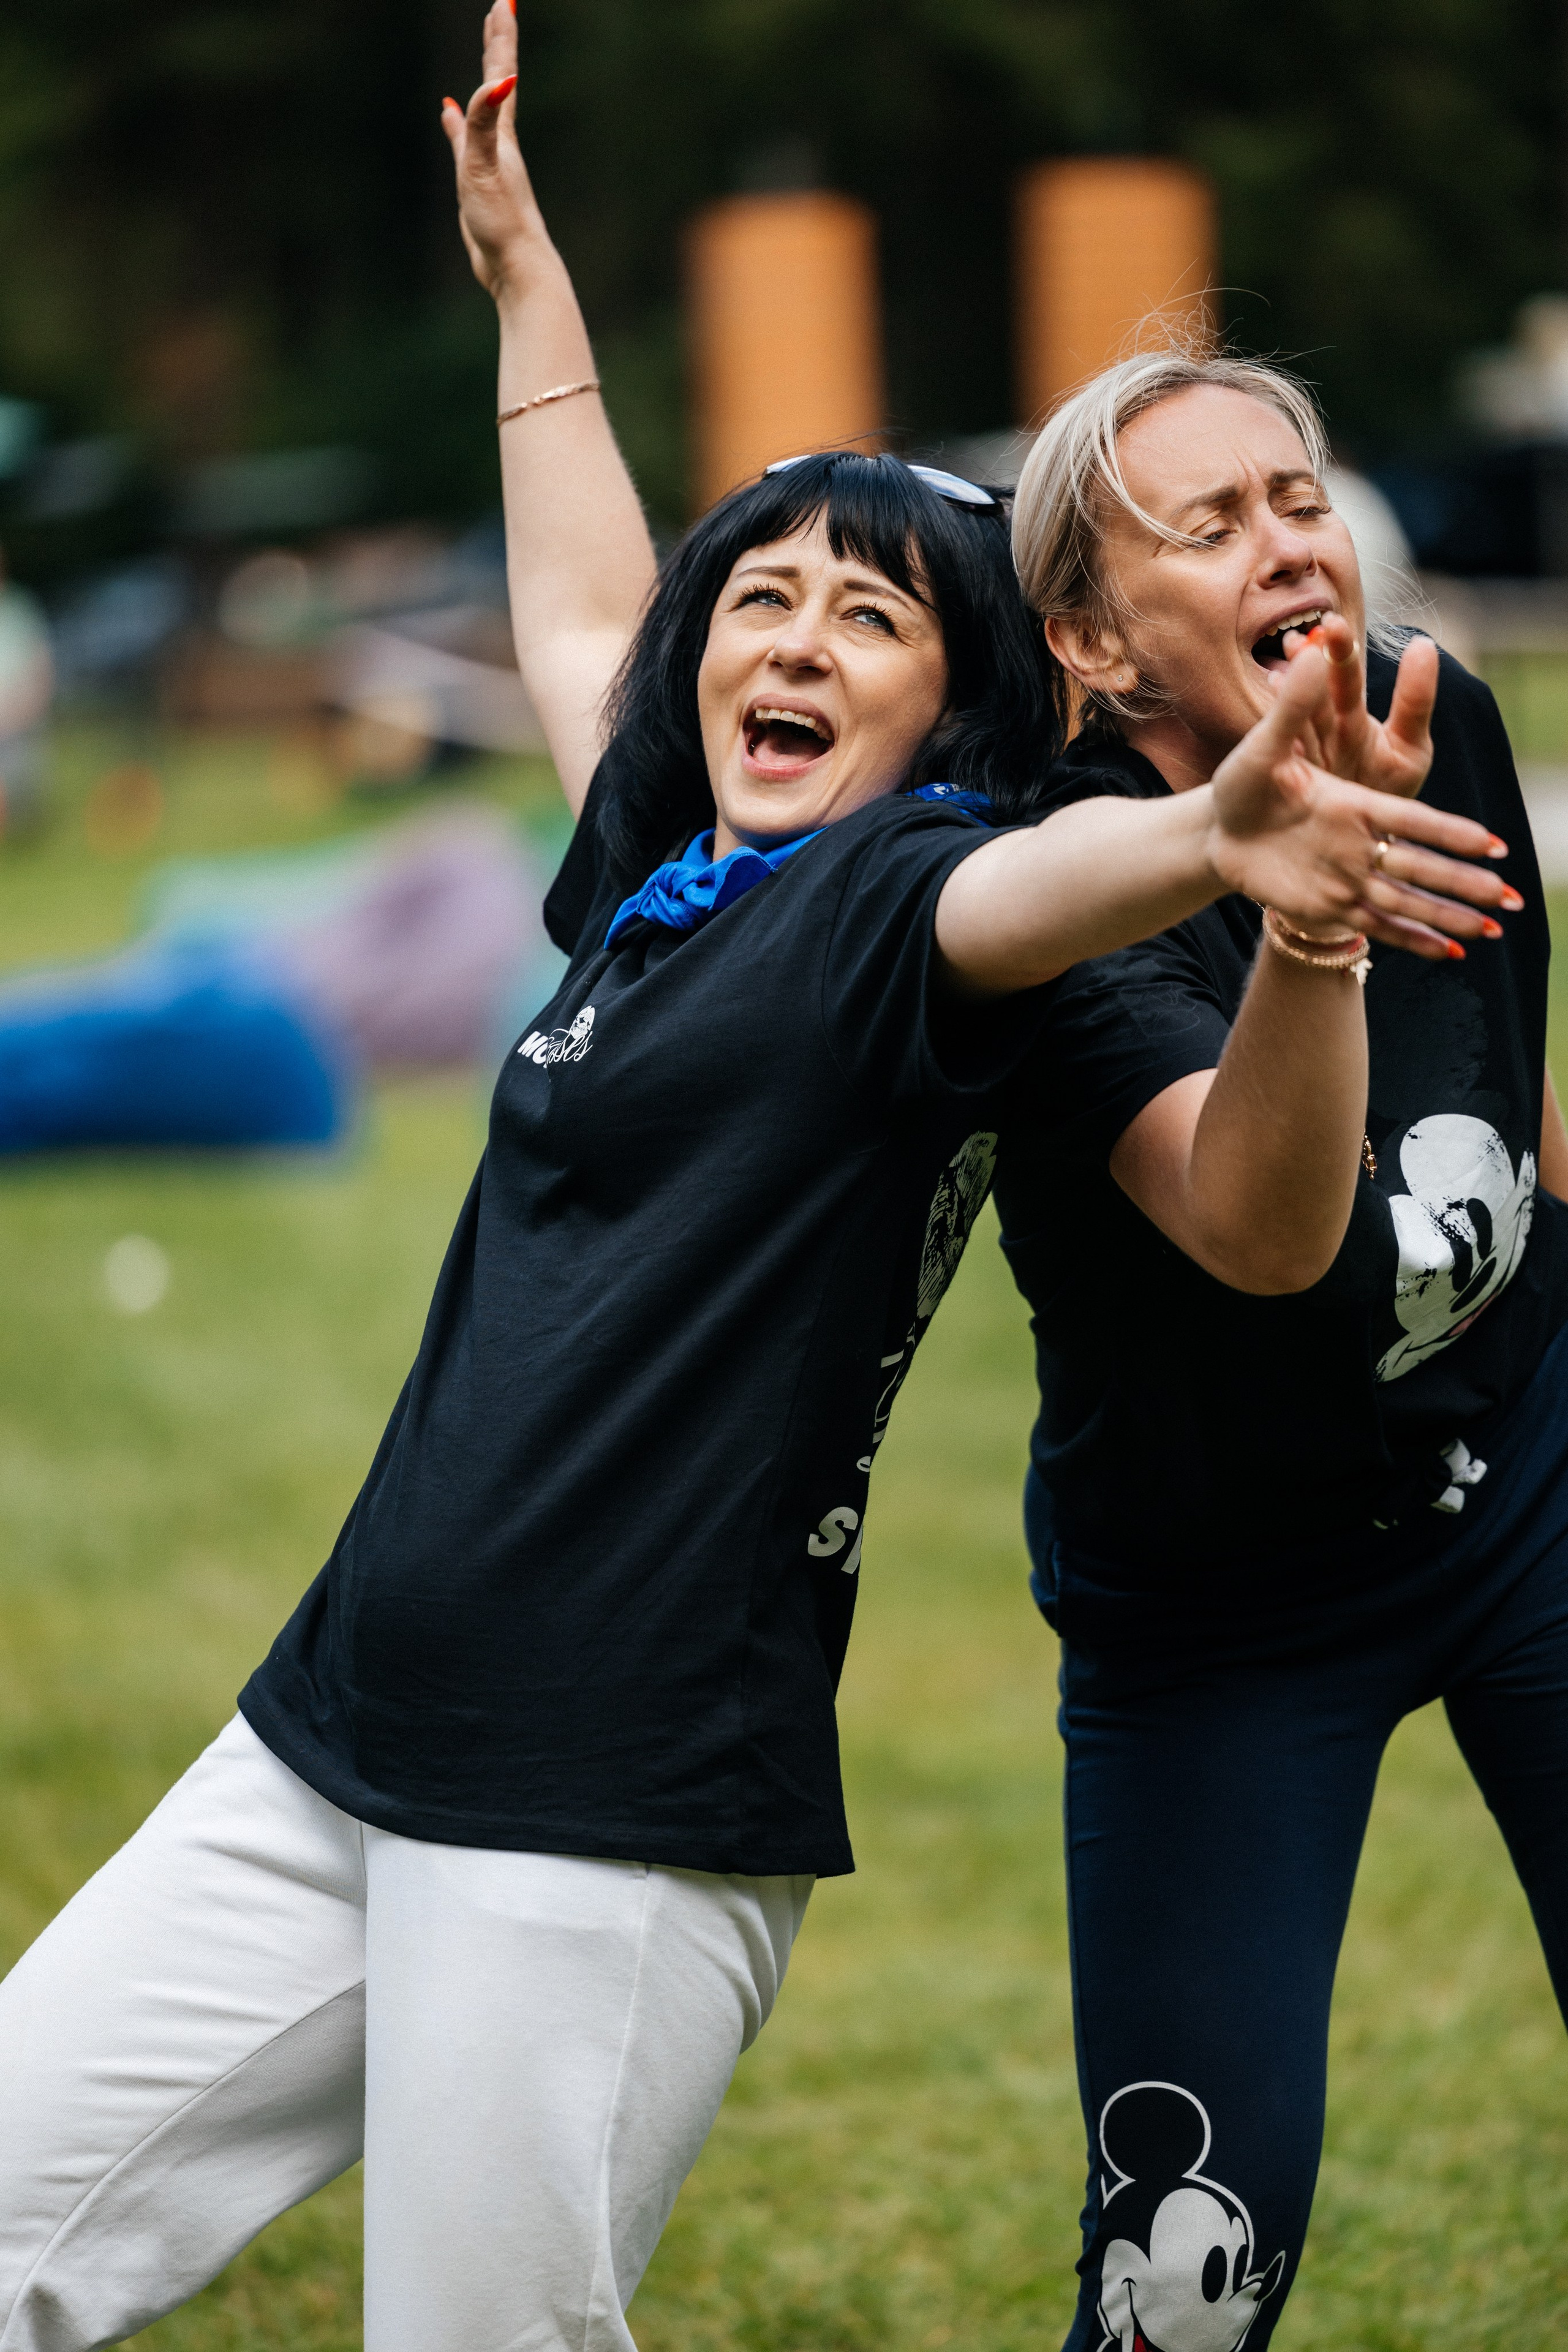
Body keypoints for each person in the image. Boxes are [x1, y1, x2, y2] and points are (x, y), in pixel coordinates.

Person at [0, 18, 1509, 2351]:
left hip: (596, 1803)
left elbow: (1105, 993)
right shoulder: (670, 876)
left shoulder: (922, 897)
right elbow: (601, 609)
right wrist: (529, 292)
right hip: (332, 1741)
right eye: (767, 598)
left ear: (956, 717)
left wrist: (1241, 862)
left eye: (873, 617)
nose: (793, 637)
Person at [995, 346, 1568, 2350]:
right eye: (1209, 521)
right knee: (1189, 2281)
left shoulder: (1433, 722)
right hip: (1224, 1616)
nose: (1287, 539)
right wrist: (1307, 931)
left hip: (1528, 1494)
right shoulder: (1057, 901)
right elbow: (1259, 1230)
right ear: (1091, 635)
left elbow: (1510, 1099)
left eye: (1298, 493)